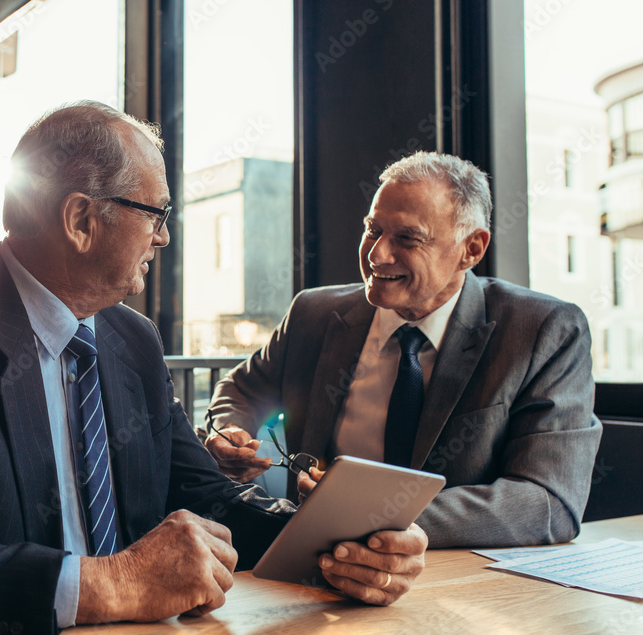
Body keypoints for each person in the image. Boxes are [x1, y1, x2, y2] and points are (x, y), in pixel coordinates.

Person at [0, 102, 427, 634]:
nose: (164, 238)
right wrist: (105, 585)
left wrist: (338, 549)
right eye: (156, 214)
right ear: (82, 219)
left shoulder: (132, 340)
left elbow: (204, 495)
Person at [203, 151, 602, 549]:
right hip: (314, 565)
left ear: (472, 249)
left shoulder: (543, 330)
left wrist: (371, 512)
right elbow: (242, 389)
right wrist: (228, 432)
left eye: (407, 238)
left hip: (457, 580)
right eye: (373, 230)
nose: (377, 255)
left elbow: (548, 501)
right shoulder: (314, 313)